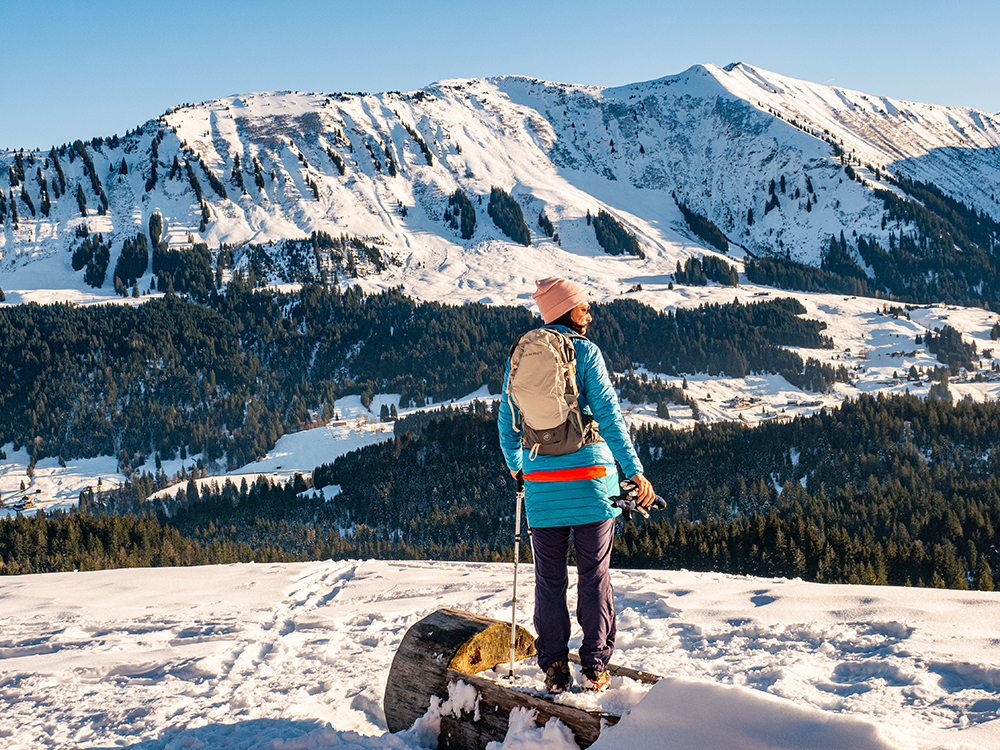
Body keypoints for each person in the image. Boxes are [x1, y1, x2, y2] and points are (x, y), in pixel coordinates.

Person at [498, 277, 655, 693]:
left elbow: (507, 425)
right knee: (594, 575)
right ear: (566, 311)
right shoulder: (585, 352)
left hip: (542, 485)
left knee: (549, 581)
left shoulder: (522, 356)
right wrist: (634, 471)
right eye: (584, 307)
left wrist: (520, 470)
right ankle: (595, 666)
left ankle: (552, 667)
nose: (590, 313)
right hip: (591, 482)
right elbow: (609, 416)